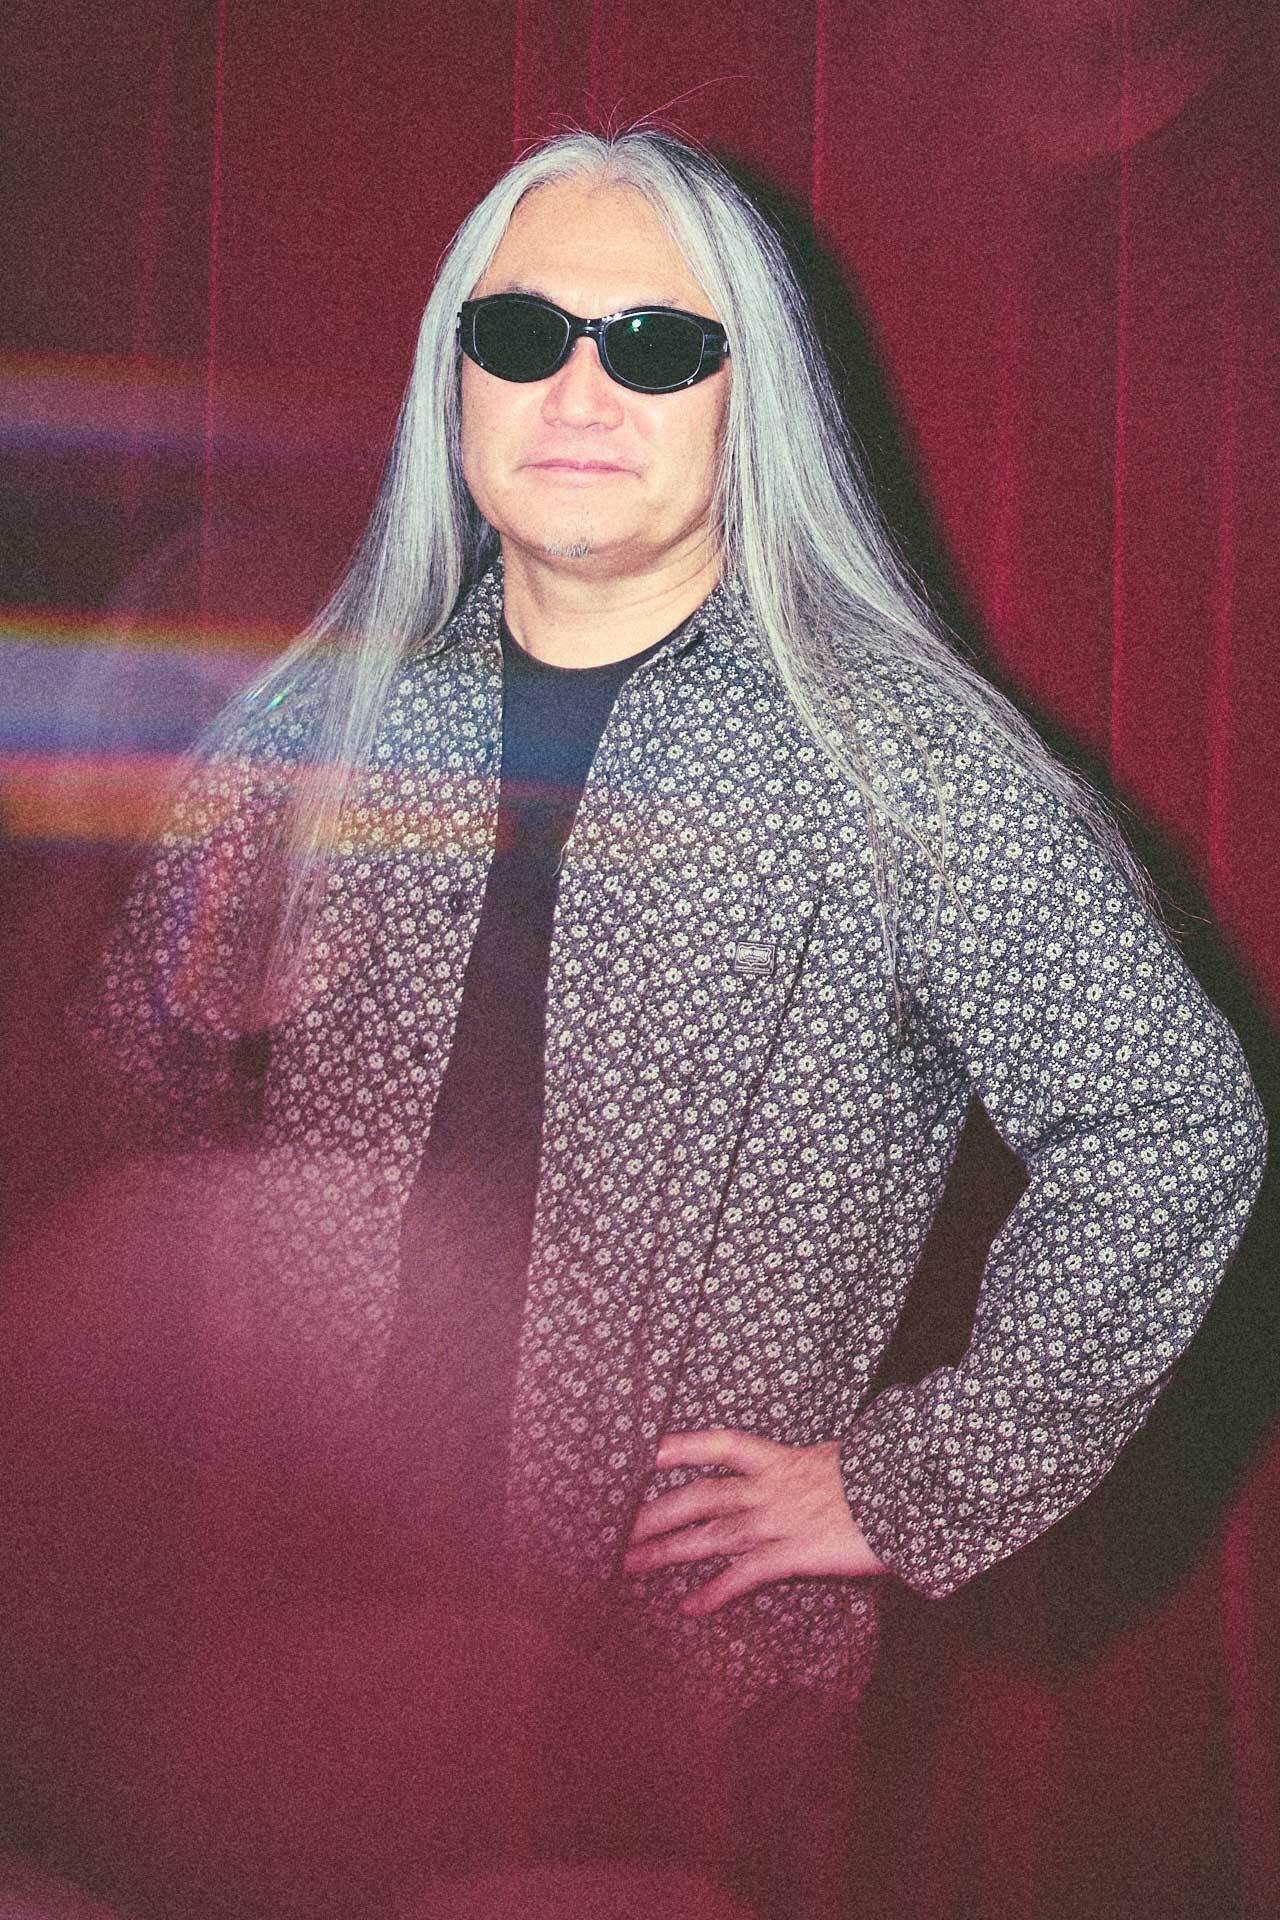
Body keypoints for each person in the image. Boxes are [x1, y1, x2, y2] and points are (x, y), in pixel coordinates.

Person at [59, 127, 1264, 1916]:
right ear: (454, 384)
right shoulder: (322, 724)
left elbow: (1169, 1125)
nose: (579, 390)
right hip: (300, 1621)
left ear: (743, 397)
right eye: (522, 334)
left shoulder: (900, 761)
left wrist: (912, 1482)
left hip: (665, 1697)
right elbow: (122, 1075)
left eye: (655, 344)